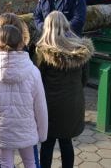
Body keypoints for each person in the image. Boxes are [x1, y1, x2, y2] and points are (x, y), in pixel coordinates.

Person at [0, 25, 48, 168]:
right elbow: (40, 106)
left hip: (1, 131)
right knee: (31, 163)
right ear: (21, 43)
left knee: (5, 165)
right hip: (26, 130)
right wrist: (43, 134)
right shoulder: (33, 72)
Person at [36, 11, 94, 168]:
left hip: (49, 107)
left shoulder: (42, 51)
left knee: (47, 145)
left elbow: (38, 82)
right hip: (72, 104)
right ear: (66, 25)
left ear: (48, 27)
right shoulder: (81, 50)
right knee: (66, 143)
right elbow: (84, 80)